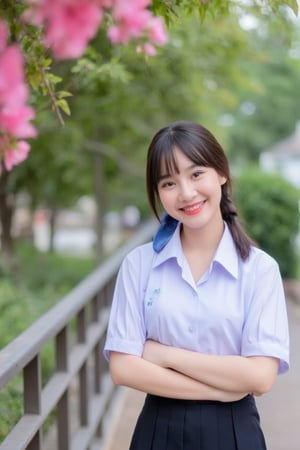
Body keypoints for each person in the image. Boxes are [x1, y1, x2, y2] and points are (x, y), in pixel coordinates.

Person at [103, 120, 289, 450]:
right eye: (169, 183)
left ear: (221, 173)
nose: (186, 193)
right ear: (158, 193)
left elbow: (260, 377)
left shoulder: (260, 270)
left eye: (196, 174)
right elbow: (123, 368)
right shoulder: (139, 265)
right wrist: (222, 389)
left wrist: (162, 354)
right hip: (158, 431)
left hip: (236, 434)